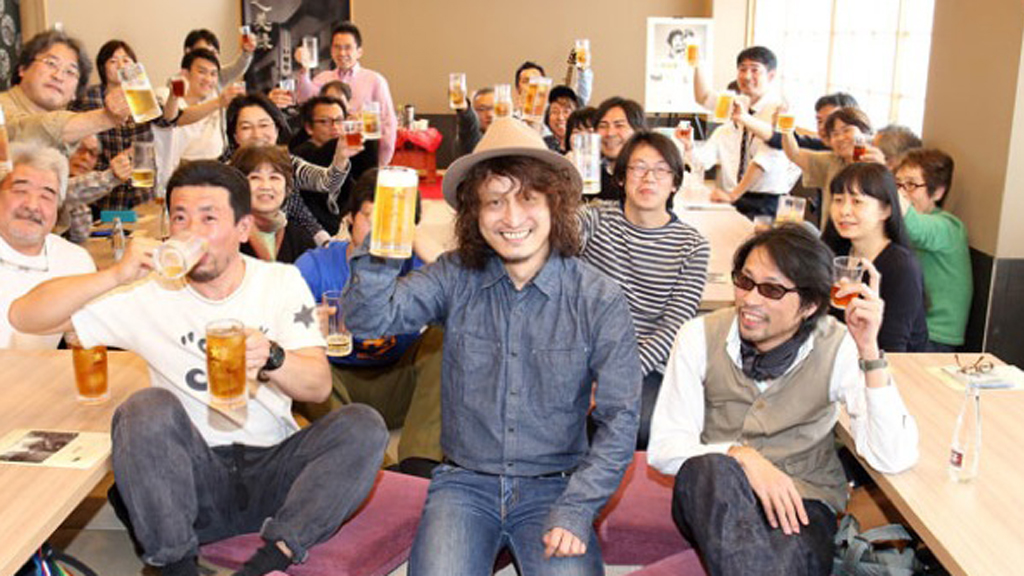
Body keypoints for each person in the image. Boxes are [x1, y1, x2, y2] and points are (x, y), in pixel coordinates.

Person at [10, 160, 388, 576]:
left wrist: (273, 357)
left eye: (209, 218)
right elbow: (25, 316)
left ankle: (271, 560)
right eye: (180, 218)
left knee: (363, 425)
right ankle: (177, 567)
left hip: (274, 477)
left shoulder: (279, 283)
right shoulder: (147, 293)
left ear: (243, 228)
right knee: (144, 408)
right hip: (193, 481)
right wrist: (115, 274)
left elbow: (317, 387)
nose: (192, 232)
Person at [342, 117, 641, 574]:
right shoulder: (455, 275)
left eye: (528, 198)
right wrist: (382, 249)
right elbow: (369, 321)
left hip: (557, 486)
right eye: (494, 202)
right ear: (474, 214)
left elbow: (620, 418)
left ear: (555, 204)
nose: (512, 218)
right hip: (464, 482)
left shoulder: (597, 297)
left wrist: (579, 507)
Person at [648, 224, 919, 576]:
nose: (750, 299)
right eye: (744, 281)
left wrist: (869, 350)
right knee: (710, 468)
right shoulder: (698, 335)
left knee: (779, 562)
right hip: (715, 494)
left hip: (802, 502)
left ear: (810, 305)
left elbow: (891, 456)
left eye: (771, 289)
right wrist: (741, 456)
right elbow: (664, 449)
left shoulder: (837, 345)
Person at [296, 167, 443, 477]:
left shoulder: (416, 263)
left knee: (444, 337)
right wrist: (307, 328)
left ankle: (420, 460)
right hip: (338, 388)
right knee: (305, 358)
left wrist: (426, 248)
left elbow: (472, 300)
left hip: (398, 382)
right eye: (371, 218)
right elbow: (276, 324)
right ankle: (377, 467)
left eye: (392, 221)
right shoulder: (315, 265)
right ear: (350, 217)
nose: (380, 230)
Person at [578, 131, 709, 449]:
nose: (649, 178)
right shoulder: (595, 219)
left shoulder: (692, 246)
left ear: (675, 182)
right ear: (621, 177)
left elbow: (674, 326)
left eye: (661, 169)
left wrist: (618, 375)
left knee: (639, 425)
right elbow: (554, 239)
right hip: (582, 354)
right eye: (638, 167)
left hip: (645, 363)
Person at [223, 93, 360, 245]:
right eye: (246, 127)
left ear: (277, 129)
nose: (257, 134)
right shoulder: (224, 173)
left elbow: (326, 184)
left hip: (281, 245)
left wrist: (341, 156)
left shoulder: (286, 162)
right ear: (235, 135)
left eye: (264, 125)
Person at [823, 162, 929, 352]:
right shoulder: (836, 251)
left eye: (857, 201)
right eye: (838, 200)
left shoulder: (901, 267)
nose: (844, 211)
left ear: (885, 210)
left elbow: (893, 349)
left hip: (887, 364)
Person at [1, 143, 95, 349]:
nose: (32, 205)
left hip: (42, 370)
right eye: (20, 190)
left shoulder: (75, 262)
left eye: (46, 196)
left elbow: (82, 345)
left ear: (57, 209)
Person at [688, 46, 800, 219]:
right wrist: (698, 64)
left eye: (755, 70)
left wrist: (733, 195)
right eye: (742, 69)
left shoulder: (780, 107)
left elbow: (766, 156)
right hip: (737, 196)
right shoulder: (739, 102)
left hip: (767, 200)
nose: (747, 76)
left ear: (771, 75)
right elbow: (703, 97)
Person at [1, 30, 131, 155]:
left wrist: (113, 171)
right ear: (23, 69)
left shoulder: (69, 136)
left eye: (70, 72)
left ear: (75, 93)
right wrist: (105, 117)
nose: (58, 76)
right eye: (51, 63)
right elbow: (19, 131)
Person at [894, 149, 971, 351]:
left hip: (934, 337)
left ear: (938, 192)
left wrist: (886, 189)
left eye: (911, 185)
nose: (903, 192)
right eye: (898, 184)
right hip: (911, 327)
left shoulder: (949, 227)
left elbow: (917, 229)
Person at [295, 22, 397, 165]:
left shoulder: (375, 80)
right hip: (327, 155)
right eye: (337, 47)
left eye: (348, 47)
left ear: (359, 51)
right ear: (331, 51)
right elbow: (304, 100)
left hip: (361, 153)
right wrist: (304, 69)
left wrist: (381, 163)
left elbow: (388, 123)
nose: (342, 53)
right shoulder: (322, 78)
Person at [70, 39, 155, 211]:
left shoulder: (142, 95)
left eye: (126, 60)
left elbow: (166, 123)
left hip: (140, 183)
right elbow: (71, 132)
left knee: (143, 222)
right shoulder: (87, 97)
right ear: (103, 67)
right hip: (103, 186)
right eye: (113, 61)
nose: (120, 66)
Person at [151, 49, 245, 194]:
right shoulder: (165, 96)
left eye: (213, 74)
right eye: (202, 72)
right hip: (173, 178)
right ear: (185, 73)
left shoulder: (215, 98)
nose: (208, 79)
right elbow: (172, 118)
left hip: (213, 174)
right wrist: (218, 102)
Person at [783, 106, 886, 228]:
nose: (840, 138)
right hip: (831, 235)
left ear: (864, 132)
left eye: (846, 130)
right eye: (835, 134)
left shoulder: (879, 161)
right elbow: (794, 154)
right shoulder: (831, 162)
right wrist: (784, 122)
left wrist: (883, 169)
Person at [291, 95, 379, 235]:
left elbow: (369, 171)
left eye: (339, 120)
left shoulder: (345, 150)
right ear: (309, 128)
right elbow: (326, 162)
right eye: (325, 121)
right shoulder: (301, 154)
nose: (335, 127)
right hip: (315, 230)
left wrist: (367, 136)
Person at [231, 145, 316, 263]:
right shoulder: (228, 233)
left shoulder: (299, 237)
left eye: (274, 178)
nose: (266, 186)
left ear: (287, 188)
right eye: (255, 177)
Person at [64, 135, 133, 244]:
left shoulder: (81, 198)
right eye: (79, 149)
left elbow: (80, 238)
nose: (86, 157)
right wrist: (112, 176)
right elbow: (65, 191)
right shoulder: (50, 182)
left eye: (93, 153)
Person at [594, 96, 647, 201]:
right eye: (603, 126)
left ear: (638, 131)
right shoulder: (592, 175)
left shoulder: (649, 177)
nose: (610, 133)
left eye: (619, 125)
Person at [182, 28, 256, 88]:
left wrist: (246, 52)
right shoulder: (180, 82)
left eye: (213, 53)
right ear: (188, 52)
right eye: (202, 53)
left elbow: (237, 68)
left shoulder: (218, 75)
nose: (209, 58)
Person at [454, 87, 495, 159]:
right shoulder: (469, 138)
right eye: (482, 109)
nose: (490, 114)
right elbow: (469, 125)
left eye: (495, 108)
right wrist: (464, 109)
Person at [543, 85, 580, 153]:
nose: (560, 117)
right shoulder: (542, 145)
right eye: (555, 112)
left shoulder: (583, 146)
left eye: (566, 112)